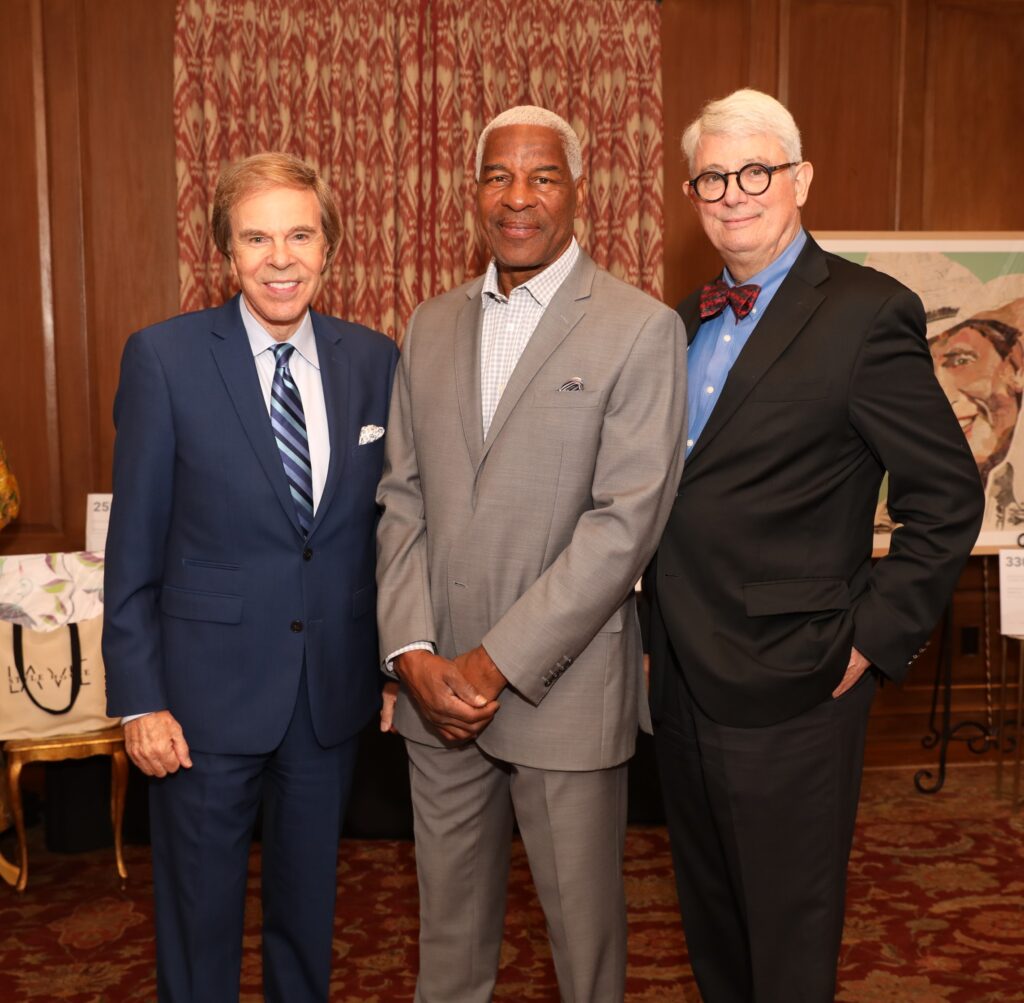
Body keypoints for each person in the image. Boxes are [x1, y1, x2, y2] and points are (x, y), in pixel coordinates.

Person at [644, 89, 983, 1002]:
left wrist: (872, 641)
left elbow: (947, 495)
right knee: (714, 934)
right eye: (712, 176)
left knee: (788, 951)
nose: (733, 192)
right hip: (680, 680)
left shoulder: (868, 313)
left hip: (796, 681)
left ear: (801, 179)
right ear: (691, 192)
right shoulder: (682, 320)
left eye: (755, 170)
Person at [375, 105, 687, 1002]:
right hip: (437, 698)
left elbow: (623, 524)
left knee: (584, 953)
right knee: (449, 947)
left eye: (542, 176)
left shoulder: (638, 327)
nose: (519, 198)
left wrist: (492, 663)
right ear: (472, 192)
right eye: (498, 176)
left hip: (563, 693)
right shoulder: (428, 326)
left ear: (578, 191)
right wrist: (413, 654)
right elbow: (401, 500)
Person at [102, 152, 399, 1002]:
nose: (280, 257)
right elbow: (134, 544)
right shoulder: (163, 358)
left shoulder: (374, 360)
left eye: (299, 235)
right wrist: (139, 697)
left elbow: (387, 531)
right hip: (198, 703)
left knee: (309, 922)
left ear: (329, 248)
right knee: (199, 931)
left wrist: (389, 662)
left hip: (327, 698)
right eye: (257, 237)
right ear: (225, 254)